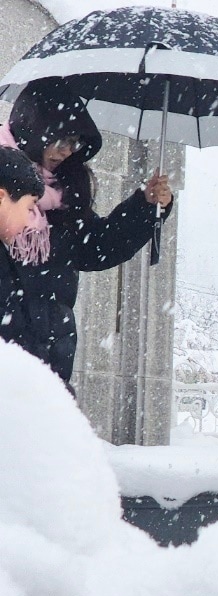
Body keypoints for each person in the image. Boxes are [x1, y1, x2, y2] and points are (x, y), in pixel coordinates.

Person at [0, 78, 172, 385]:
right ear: (35, 128)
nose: (67, 152)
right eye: (61, 140)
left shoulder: (62, 193)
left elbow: (96, 247)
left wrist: (145, 206)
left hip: (52, 352)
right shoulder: (4, 181)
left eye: (75, 143)